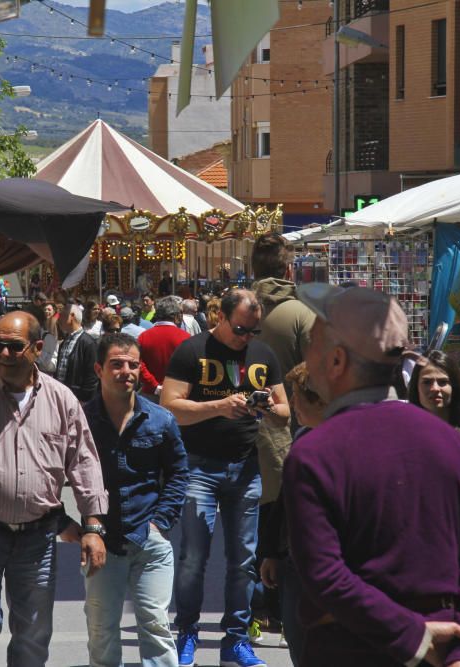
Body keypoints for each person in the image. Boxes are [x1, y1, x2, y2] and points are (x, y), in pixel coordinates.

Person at [283, 283, 460, 666]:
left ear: (337, 361)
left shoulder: (314, 454)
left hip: (352, 650)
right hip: (446, 642)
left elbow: (324, 574)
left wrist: (416, 637)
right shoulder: (450, 441)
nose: (306, 350)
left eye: (313, 340)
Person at [0, 311, 109, 667]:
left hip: (38, 537)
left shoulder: (61, 400)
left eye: (15, 347)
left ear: (37, 348)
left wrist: (92, 526)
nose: (5, 354)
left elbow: (84, 462)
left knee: (33, 630)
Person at [161, 288, 290, 667]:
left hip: (245, 466)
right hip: (198, 466)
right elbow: (170, 407)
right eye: (240, 329)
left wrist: (265, 407)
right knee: (193, 557)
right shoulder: (192, 351)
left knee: (243, 559)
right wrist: (219, 406)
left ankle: (236, 640)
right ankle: (186, 631)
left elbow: (285, 412)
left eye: (254, 331)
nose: (247, 337)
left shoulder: (263, 356)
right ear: (220, 317)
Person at [82, 333, 190, 667]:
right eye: (116, 364)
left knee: (156, 625)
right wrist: (81, 528)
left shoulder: (160, 419)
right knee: (101, 632)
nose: (126, 371)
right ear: (99, 369)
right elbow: (59, 473)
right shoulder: (81, 421)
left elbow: (178, 474)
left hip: (150, 541)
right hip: (103, 543)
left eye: (133, 364)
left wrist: (161, 523)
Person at [248, 233, 317, 639]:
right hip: (287, 433)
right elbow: (317, 376)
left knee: (246, 528)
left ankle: (252, 609)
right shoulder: (300, 315)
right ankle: (275, 606)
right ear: (289, 270)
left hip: (237, 432)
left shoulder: (232, 311)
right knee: (281, 526)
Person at [259, 362, 326, 663]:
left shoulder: (344, 444)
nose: (292, 404)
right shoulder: (302, 440)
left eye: (298, 395)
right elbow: (284, 502)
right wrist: (272, 552)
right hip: (294, 562)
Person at [407, 350, 460, 439]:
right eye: (427, 382)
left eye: (443, 382)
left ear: (454, 386)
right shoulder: (405, 433)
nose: (435, 388)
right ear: (415, 386)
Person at [138, 297, 190, 395]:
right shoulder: (185, 337)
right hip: (177, 394)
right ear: (176, 316)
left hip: (150, 393)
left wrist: (154, 385)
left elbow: (138, 364)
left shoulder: (143, 337)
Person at [56, 302, 99, 402]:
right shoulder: (65, 341)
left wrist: (83, 401)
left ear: (71, 317)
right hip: (63, 399)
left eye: (62, 315)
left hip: (78, 401)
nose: (59, 319)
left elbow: (92, 377)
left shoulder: (88, 343)